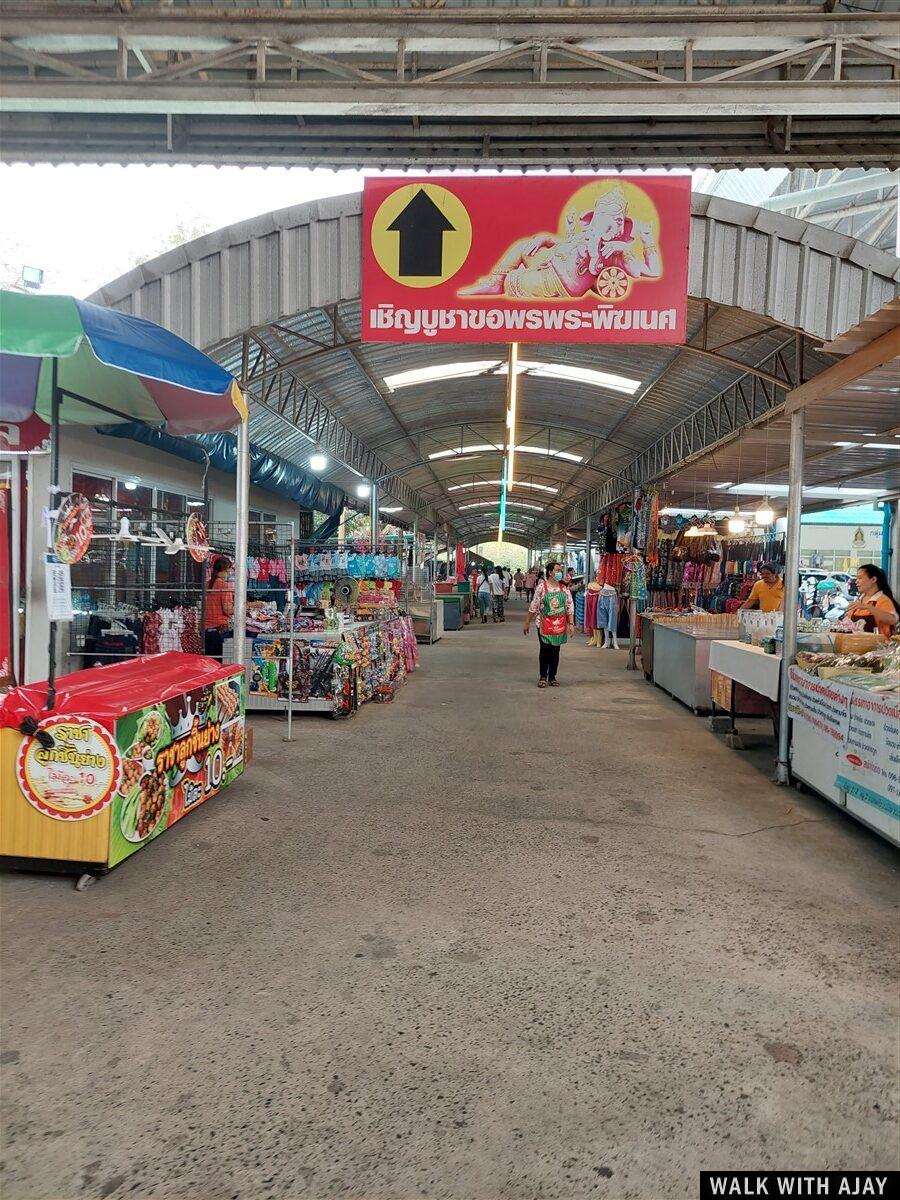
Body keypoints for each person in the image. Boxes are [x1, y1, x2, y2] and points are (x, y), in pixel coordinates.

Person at [523, 560, 575, 688]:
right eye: (557, 570)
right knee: (545, 648)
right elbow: (534, 605)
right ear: (550, 572)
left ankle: (552, 676)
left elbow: (570, 606)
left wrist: (571, 624)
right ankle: (542, 676)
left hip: (559, 624)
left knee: (556, 650)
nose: (559, 572)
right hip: (543, 623)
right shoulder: (542, 587)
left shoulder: (564, 588)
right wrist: (527, 622)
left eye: (560, 570)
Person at [846, 564, 898, 637]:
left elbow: (892, 620)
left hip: (879, 647)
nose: (856, 582)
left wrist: (868, 607)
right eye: (856, 578)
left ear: (873, 579)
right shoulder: (859, 600)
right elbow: (848, 622)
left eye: (860, 578)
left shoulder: (883, 600)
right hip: (857, 645)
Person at [205, 555, 234, 658]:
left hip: (205, 629)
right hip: (218, 630)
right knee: (218, 663)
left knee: (208, 662)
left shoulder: (207, 584)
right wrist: (239, 608)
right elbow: (228, 610)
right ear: (225, 570)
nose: (230, 573)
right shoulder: (225, 586)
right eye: (229, 570)